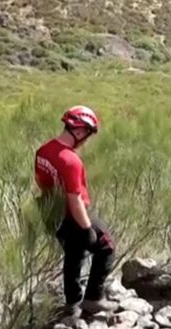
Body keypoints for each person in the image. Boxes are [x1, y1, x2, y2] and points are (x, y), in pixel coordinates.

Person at [34, 105, 117, 317]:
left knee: (73, 255)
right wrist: (87, 228)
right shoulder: (71, 161)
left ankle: (72, 305)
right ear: (79, 131)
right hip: (73, 215)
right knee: (106, 247)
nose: (86, 140)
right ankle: (93, 299)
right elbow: (75, 199)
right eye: (87, 135)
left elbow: (41, 183)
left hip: (52, 213)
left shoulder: (43, 151)